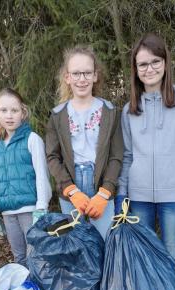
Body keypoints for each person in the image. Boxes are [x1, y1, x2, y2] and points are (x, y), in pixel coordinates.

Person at [116, 33, 175, 271]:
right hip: (139, 196)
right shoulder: (129, 110)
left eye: (155, 61)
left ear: (165, 63)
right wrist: (122, 193)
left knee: (172, 257)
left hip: (173, 196)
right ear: (135, 69)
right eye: (142, 64)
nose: (149, 68)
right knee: (143, 258)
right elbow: (127, 156)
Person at [45, 46, 124, 240]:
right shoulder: (57, 115)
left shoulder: (110, 112)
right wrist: (71, 191)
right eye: (76, 73)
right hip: (71, 188)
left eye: (87, 73)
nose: (82, 79)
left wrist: (105, 193)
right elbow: (53, 157)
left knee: (104, 243)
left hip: (101, 186)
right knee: (75, 247)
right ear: (67, 77)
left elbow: (116, 157)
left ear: (95, 75)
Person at [0, 88, 51, 267]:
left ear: (23, 112)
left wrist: (41, 207)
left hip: (30, 211)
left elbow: (41, 175)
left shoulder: (32, 139)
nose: (9, 116)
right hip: (8, 213)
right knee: (19, 258)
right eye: (4, 110)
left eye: (14, 110)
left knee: (36, 258)